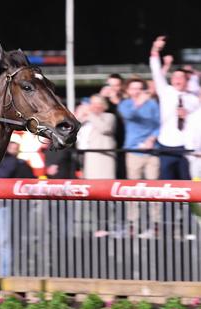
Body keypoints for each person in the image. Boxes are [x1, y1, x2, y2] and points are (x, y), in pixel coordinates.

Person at [150, 36, 200, 180]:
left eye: (181, 78)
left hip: (186, 146)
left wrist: (187, 116)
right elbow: (156, 71)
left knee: (186, 183)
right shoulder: (166, 92)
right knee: (167, 183)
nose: (177, 80)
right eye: (175, 77)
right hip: (166, 144)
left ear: (187, 81)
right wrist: (155, 49)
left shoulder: (193, 99)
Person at [0, 135, 35, 277]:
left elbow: (1, 176)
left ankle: (4, 275)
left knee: (3, 243)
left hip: (2, 207)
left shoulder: (12, 161)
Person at [117, 78, 161, 236]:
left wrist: (152, 139)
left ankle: (155, 225)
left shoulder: (152, 104)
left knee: (153, 189)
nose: (136, 91)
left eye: (139, 88)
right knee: (133, 190)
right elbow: (129, 116)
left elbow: (159, 124)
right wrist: (139, 103)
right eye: (133, 88)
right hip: (133, 152)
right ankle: (133, 225)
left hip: (152, 151)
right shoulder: (125, 104)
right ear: (128, 90)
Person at [76, 95, 117, 179]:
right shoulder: (86, 118)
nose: (96, 106)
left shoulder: (109, 116)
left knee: (104, 179)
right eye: (93, 103)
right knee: (89, 179)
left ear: (104, 105)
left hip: (103, 154)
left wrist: (90, 114)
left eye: (99, 103)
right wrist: (80, 114)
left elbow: (105, 128)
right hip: (87, 154)